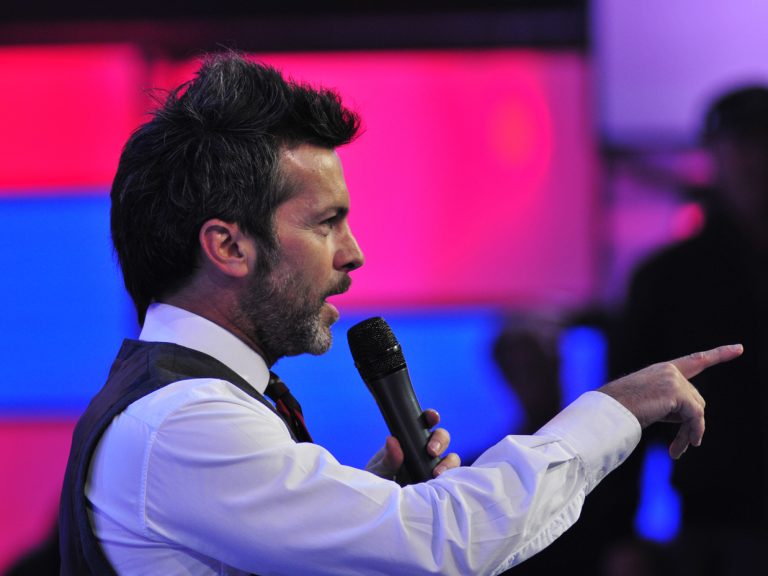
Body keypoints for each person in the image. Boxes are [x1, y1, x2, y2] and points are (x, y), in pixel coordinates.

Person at [58, 53, 742, 575]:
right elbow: (447, 540)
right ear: (229, 246)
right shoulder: (187, 422)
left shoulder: (179, 406)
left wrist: (362, 508)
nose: (352, 254)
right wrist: (616, 409)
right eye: (326, 223)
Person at [614, 85, 768, 576]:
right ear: (714, 155)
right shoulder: (667, 278)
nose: (757, 158)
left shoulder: (666, 273)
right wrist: (620, 534)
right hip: (712, 527)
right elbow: (626, 409)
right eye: (744, 142)